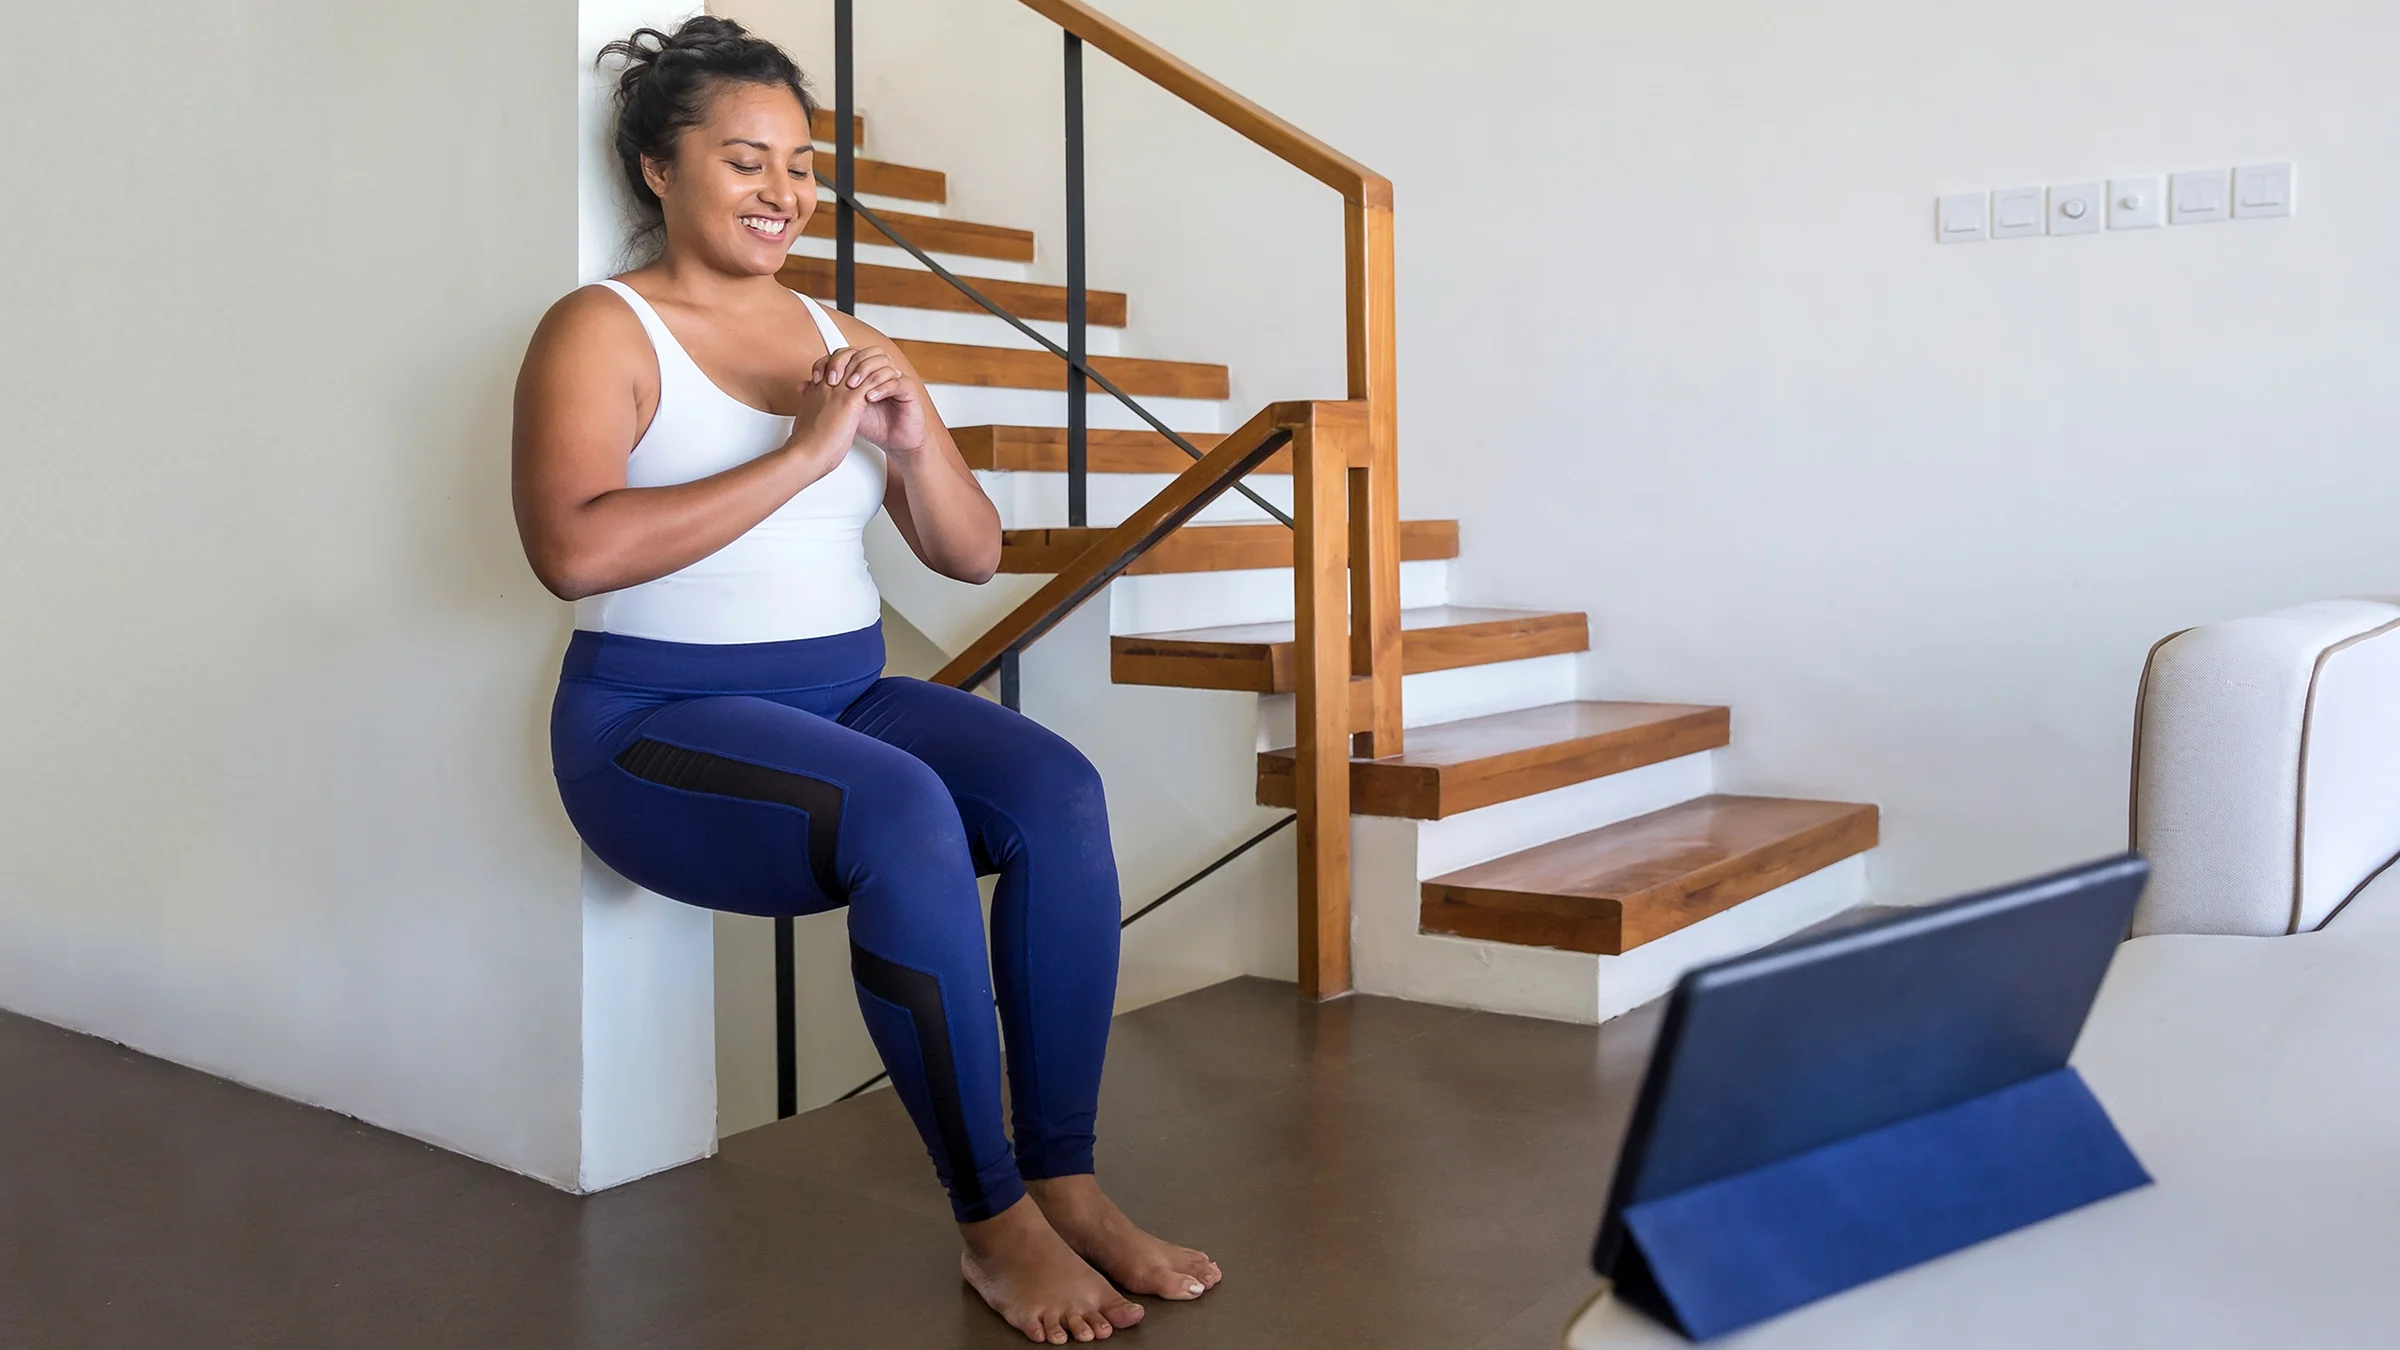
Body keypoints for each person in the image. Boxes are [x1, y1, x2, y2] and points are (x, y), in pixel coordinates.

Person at [510, 17, 1220, 1344]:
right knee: (901, 809)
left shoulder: (840, 330)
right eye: (746, 160)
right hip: (652, 727)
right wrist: (801, 451)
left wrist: (909, 432)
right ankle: (993, 1221)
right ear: (659, 170)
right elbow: (569, 548)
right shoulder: (601, 329)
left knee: (1054, 786)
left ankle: (1065, 1177)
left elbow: (968, 552)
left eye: (801, 162)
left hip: (840, 697)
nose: (785, 190)